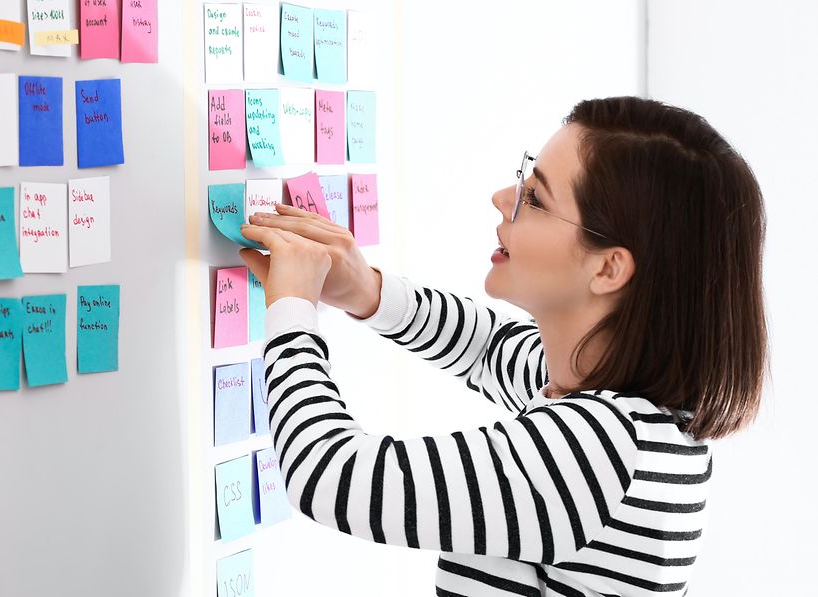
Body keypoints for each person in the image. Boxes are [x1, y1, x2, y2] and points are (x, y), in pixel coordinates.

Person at [238, 96, 769, 597]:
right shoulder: (629, 413)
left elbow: (331, 476)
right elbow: (489, 346)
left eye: (536, 198)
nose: (503, 198)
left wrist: (291, 309)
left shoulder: (598, 451)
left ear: (609, 267)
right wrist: (369, 292)